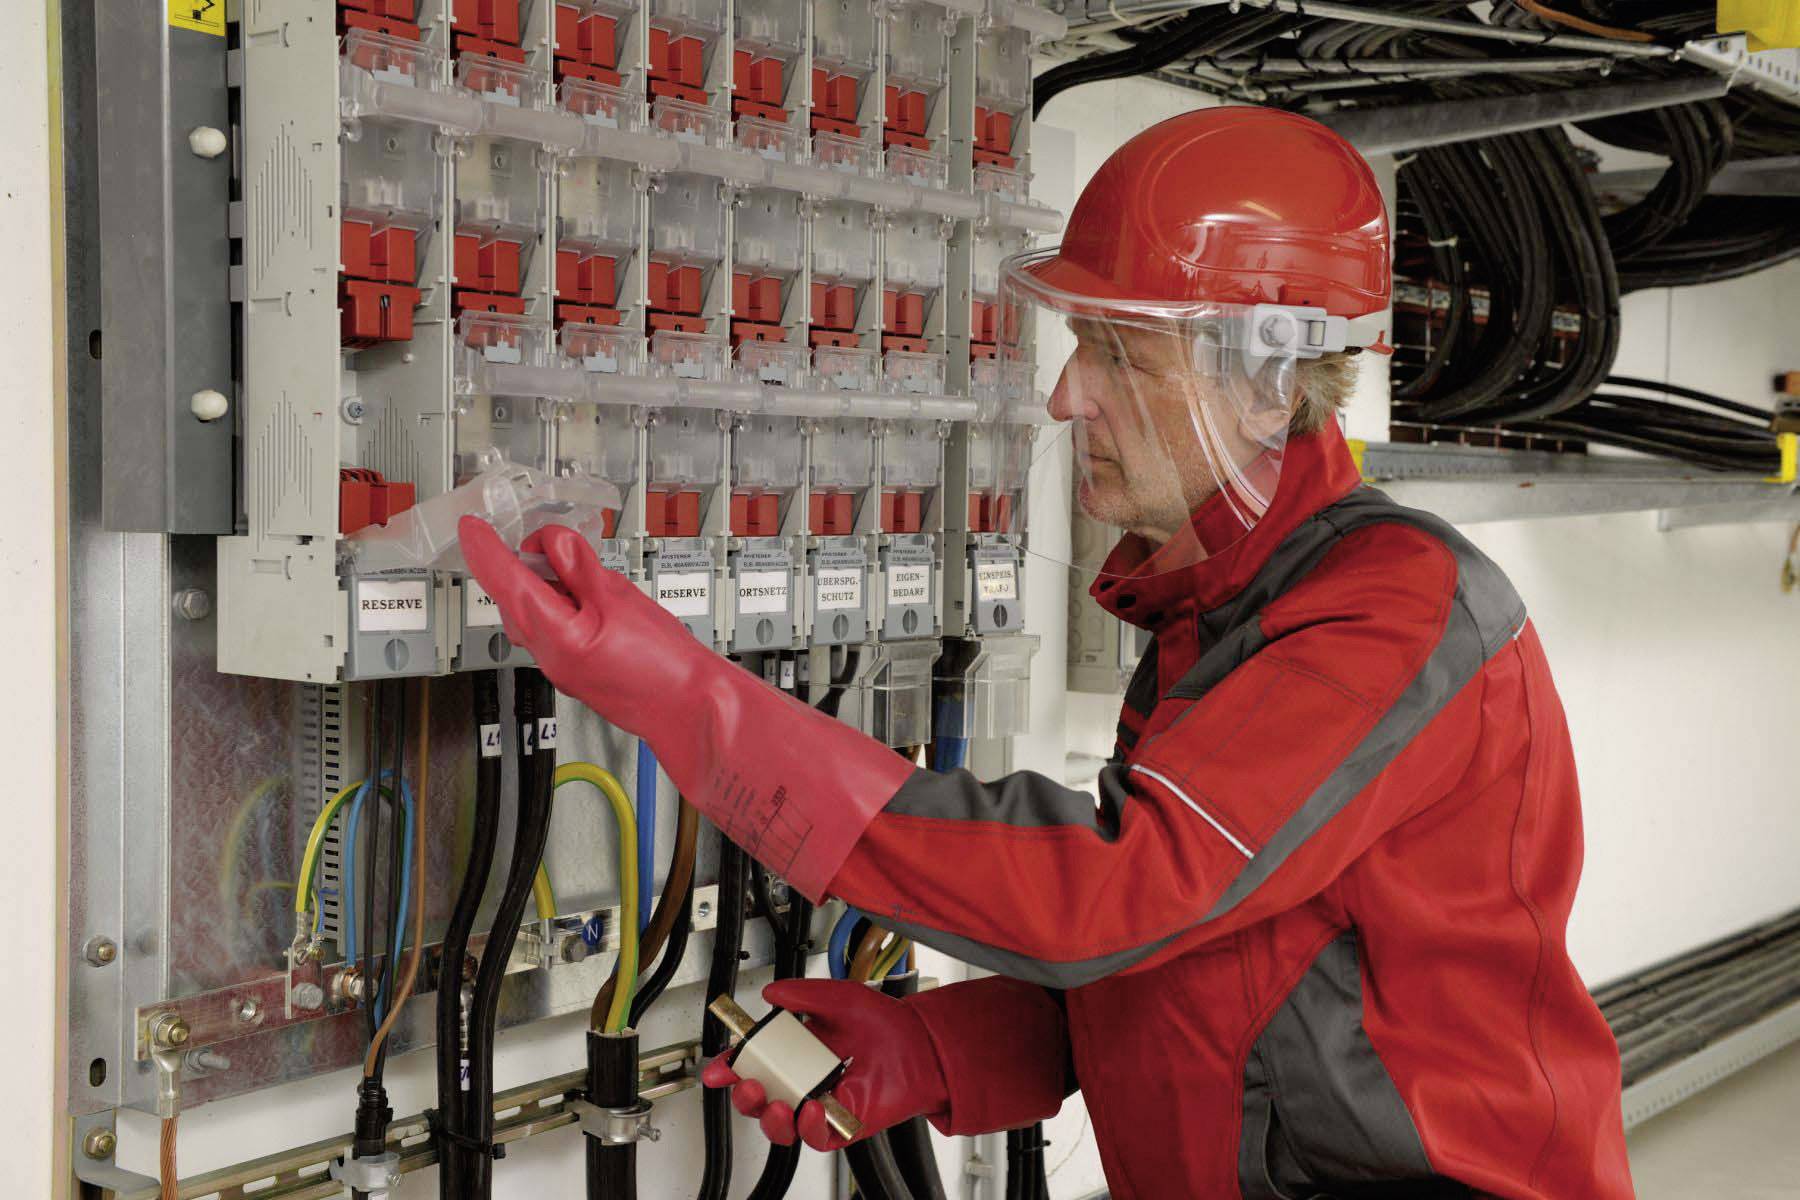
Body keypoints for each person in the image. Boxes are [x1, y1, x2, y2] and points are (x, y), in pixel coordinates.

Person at [460, 107, 1634, 1199]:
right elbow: (1225, 961)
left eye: (1122, 355)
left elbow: (1119, 891)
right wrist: (942, 1044)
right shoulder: (1210, 609)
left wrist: (691, 703)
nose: (1070, 397)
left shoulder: (1393, 612)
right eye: (1083, 345)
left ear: (1269, 386)